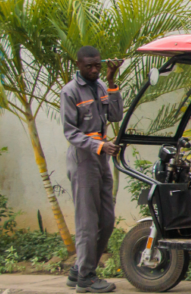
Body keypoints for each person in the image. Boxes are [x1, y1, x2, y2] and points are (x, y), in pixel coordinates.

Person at [62, 46, 123, 293]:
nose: (95, 69)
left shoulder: (100, 86)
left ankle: (78, 270)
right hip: (84, 160)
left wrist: (111, 81)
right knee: (87, 222)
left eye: (98, 65)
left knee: (106, 221)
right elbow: (70, 133)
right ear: (78, 65)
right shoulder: (70, 91)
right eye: (89, 66)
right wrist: (99, 146)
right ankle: (86, 278)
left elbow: (115, 115)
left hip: (101, 159)